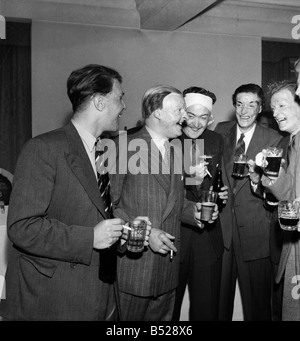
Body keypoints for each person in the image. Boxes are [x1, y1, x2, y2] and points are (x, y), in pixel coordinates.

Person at [0, 64, 135, 321]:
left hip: (96, 293)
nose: (124, 107)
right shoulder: (43, 148)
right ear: (99, 102)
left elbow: (92, 212)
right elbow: (21, 227)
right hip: (55, 299)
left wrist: (121, 233)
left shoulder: (100, 151)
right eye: (120, 98)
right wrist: (90, 238)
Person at [110, 85, 217, 321]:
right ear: (157, 112)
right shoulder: (124, 146)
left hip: (168, 273)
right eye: (179, 109)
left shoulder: (176, 150)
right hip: (135, 271)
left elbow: (174, 204)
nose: (184, 116)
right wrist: (146, 234)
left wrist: (195, 212)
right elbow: (107, 206)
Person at [215, 83, 282, 321]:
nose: (244, 111)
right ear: (234, 106)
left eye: (251, 104)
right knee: (218, 307)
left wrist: (258, 183)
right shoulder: (220, 131)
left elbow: (277, 191)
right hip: (221, 234)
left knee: (258, 308)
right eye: (240, 104)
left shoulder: (274, 139)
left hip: (256, 233)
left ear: (260, 108)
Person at [172, 86, 227, 321]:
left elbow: (217, 182)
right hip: (174, 236)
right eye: (191, 116)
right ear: (182, 114)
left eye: (203, 117)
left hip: (207, 238)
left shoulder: (216, 140)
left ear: (210, 118)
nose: (196, 123)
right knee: (166, 311)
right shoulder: (168, 138)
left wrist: (221, 196)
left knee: (206, 310)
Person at [261, 80, 300, 321]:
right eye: (273, 108)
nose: (275, 114)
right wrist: (271, 174)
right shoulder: (293, 142)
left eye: (282, 105)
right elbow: (291, 195)